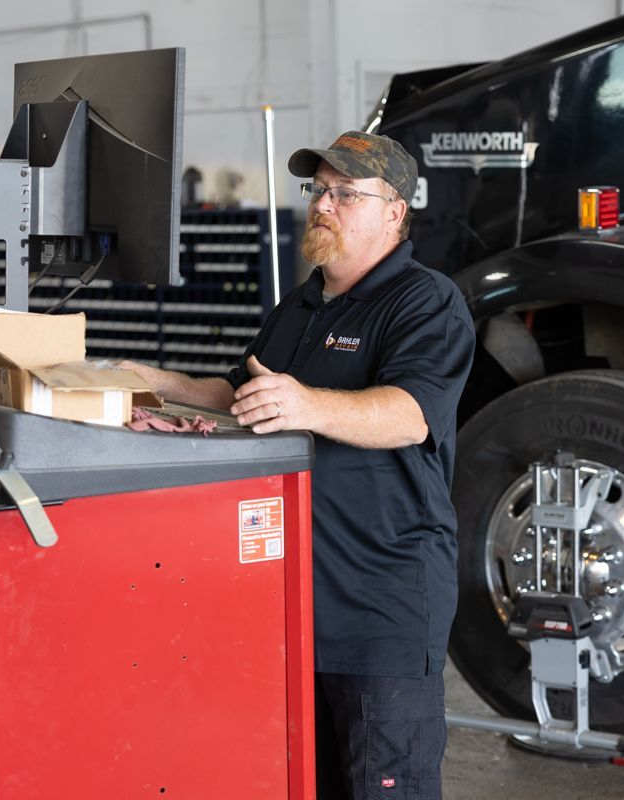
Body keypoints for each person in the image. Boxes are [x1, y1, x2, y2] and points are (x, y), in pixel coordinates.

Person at [122, 131, 474, 799]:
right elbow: (246, 394)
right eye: (319, 190)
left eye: (347, 193)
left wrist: (306, 402)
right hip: (289, 611)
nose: (325, 205)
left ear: (395, 210)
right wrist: (160, 383)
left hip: (380, 614)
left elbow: (410, 415)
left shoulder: (425, 303)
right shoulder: (301, 305)